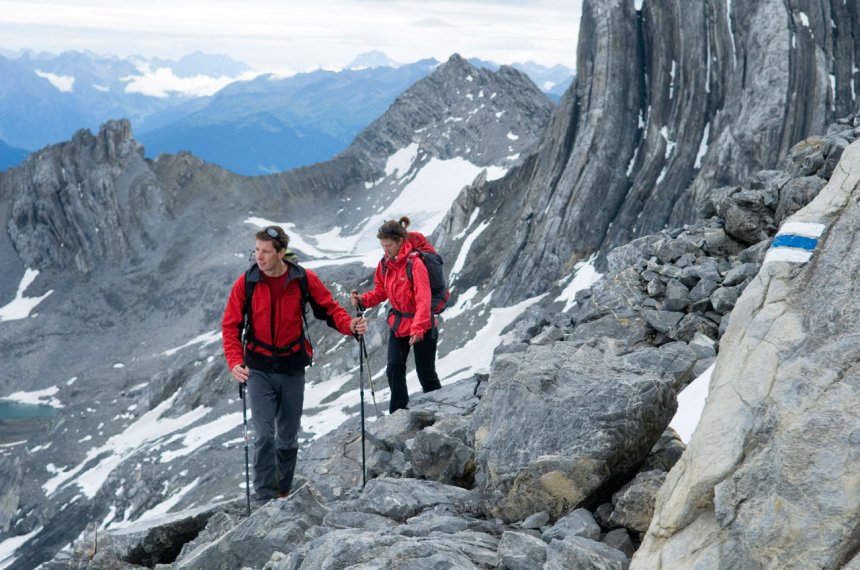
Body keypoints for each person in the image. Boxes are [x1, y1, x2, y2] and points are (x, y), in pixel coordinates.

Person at [222, 225, 366, 506]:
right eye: (256, 250)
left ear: (280, 253)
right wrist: (235, 362)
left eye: (265, 251)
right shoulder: (247, 282)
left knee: (287, 440)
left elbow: (329, 309)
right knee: (264, 434)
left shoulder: (302, 279)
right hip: (258, 368)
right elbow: (230, 327)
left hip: (291, 367)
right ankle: (265, 497)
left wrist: (350, 325)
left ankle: (282, 491)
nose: (258, 257)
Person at [351, 216, 442, 413]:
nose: (385, 250)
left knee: (425, 372)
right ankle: (398, 412)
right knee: (393, 367)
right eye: (382, 246)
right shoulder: (385, 264)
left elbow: (423, 300)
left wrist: (418, 328)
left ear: (400, 241)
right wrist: (364, 300)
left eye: (388, 245)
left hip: (422, 325)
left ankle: (440, 411)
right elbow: (381, 291)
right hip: (399, 324)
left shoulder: (415, 264)